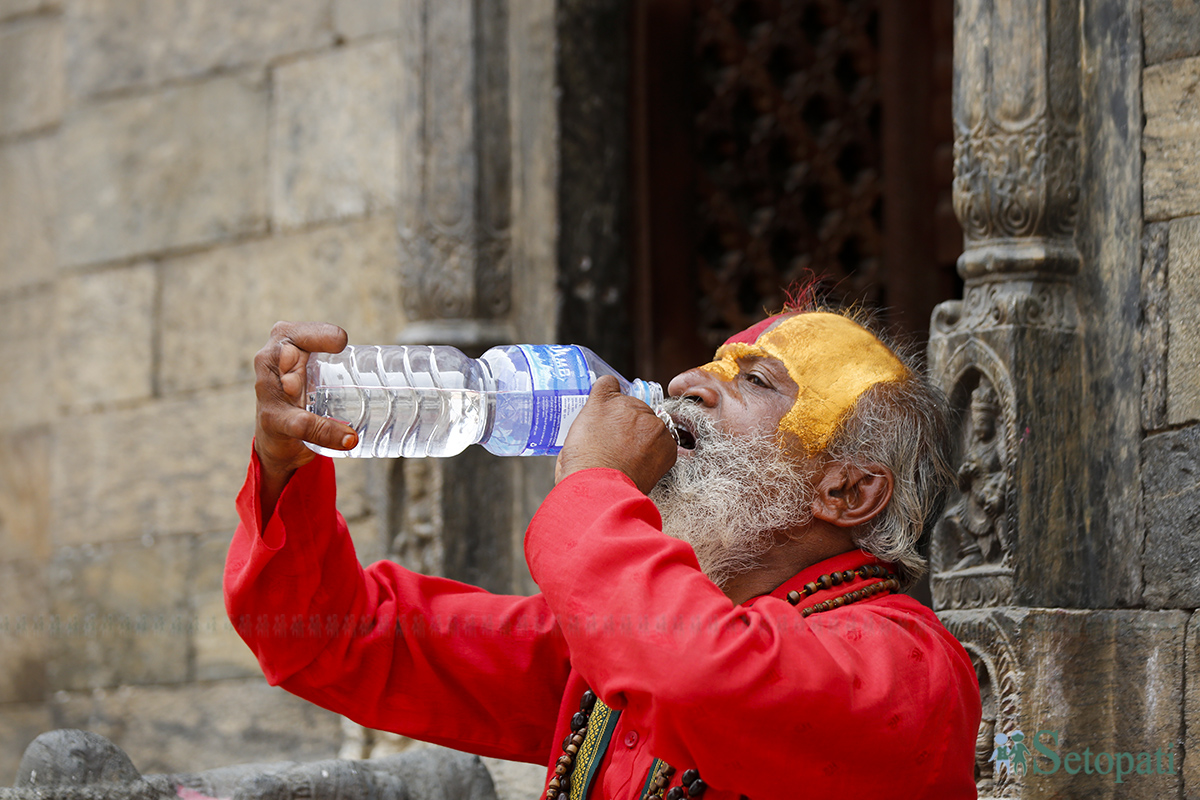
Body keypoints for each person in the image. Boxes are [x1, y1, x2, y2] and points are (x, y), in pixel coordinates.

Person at [225, 307, 982, 800]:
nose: (688, 383)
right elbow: (330, 638)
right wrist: (285, 465)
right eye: (709, 364)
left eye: (752, 381)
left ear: (847, 493)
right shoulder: (610, 651)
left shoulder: (907, 668)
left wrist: (596, 483)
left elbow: (700, 678)